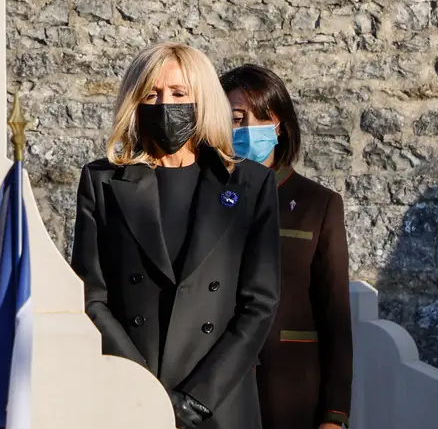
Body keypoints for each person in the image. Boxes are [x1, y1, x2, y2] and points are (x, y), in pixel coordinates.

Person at [71, 42, 281, 429]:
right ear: (134, 102)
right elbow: (91, 295)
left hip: (219, 403)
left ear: (202, 100)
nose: (165, 104)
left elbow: (259, 304)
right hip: (130, 398)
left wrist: (196, 398)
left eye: (179, 94)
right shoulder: (103, 181)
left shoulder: (251, 183)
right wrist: (141, 388)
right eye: (152, 93)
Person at [220, 64, 352, 429]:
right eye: (235, 118)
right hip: (218, 387)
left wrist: (335, 414)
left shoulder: (317, 204)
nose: (246, 129)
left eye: (261, 117)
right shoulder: (207, 196)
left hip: (292, 389)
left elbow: (335, 314)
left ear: (279, 125)